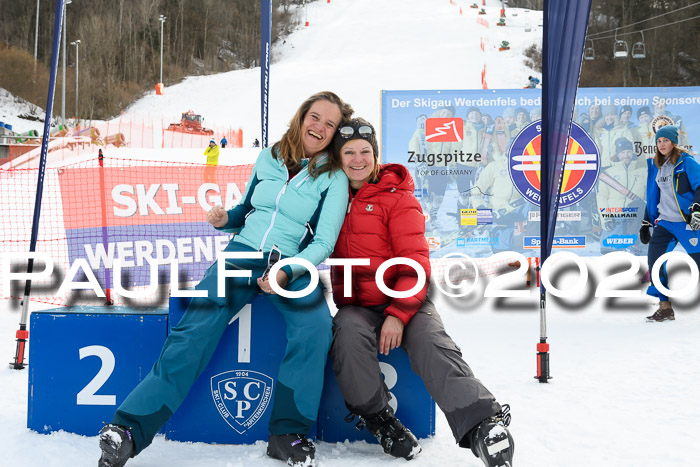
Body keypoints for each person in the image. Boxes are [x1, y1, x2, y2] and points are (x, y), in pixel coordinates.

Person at [97, 91, 354, 467]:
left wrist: (289, 268)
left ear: (334, 134)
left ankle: (287, 433)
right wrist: (225, 219)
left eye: (330, 124)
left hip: (290, 265)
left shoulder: (333, 177)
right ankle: (128, 430)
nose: (319, 127)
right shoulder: (269, 156)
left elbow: (324, 241)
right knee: (195, 327)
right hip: (240, 255)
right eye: (315, 117)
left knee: (315, 326)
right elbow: (246, 209)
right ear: (302, 116)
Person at [328, 118, 514, 466]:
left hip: (406, 298)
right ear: (337, 157)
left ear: (376, 155)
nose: (357, 159)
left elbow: (415, 263)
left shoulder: (399, 199)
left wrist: (398, 315)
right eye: (348, 152)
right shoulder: (331, 200)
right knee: (347, 334)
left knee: (430, 340)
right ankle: (379, 420)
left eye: (365, 151)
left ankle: (483, 424)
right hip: (358, 304)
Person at [639, 125, 700, 322]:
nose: (662, 144)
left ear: (674, 142)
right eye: (659, 141)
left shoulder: (687, 162)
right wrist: (646, 221)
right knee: (656, 263)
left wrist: (697, 209)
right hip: (665, 222)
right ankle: (665, 308)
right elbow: (653, 195)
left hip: (687, 222)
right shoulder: (655, 164)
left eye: (666, 140)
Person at [596, 137, 646, 254]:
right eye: (622, 152)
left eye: (628, 151)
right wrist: (606, 218)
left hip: (634, 217)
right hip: (615, 216)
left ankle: (633, 244)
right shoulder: (608, 173)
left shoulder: (643, 171)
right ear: (617, 155)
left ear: (633, 153)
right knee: (608, 251)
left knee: (638, 254)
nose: (626, 155)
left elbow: (650, 194)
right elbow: (602, 196)